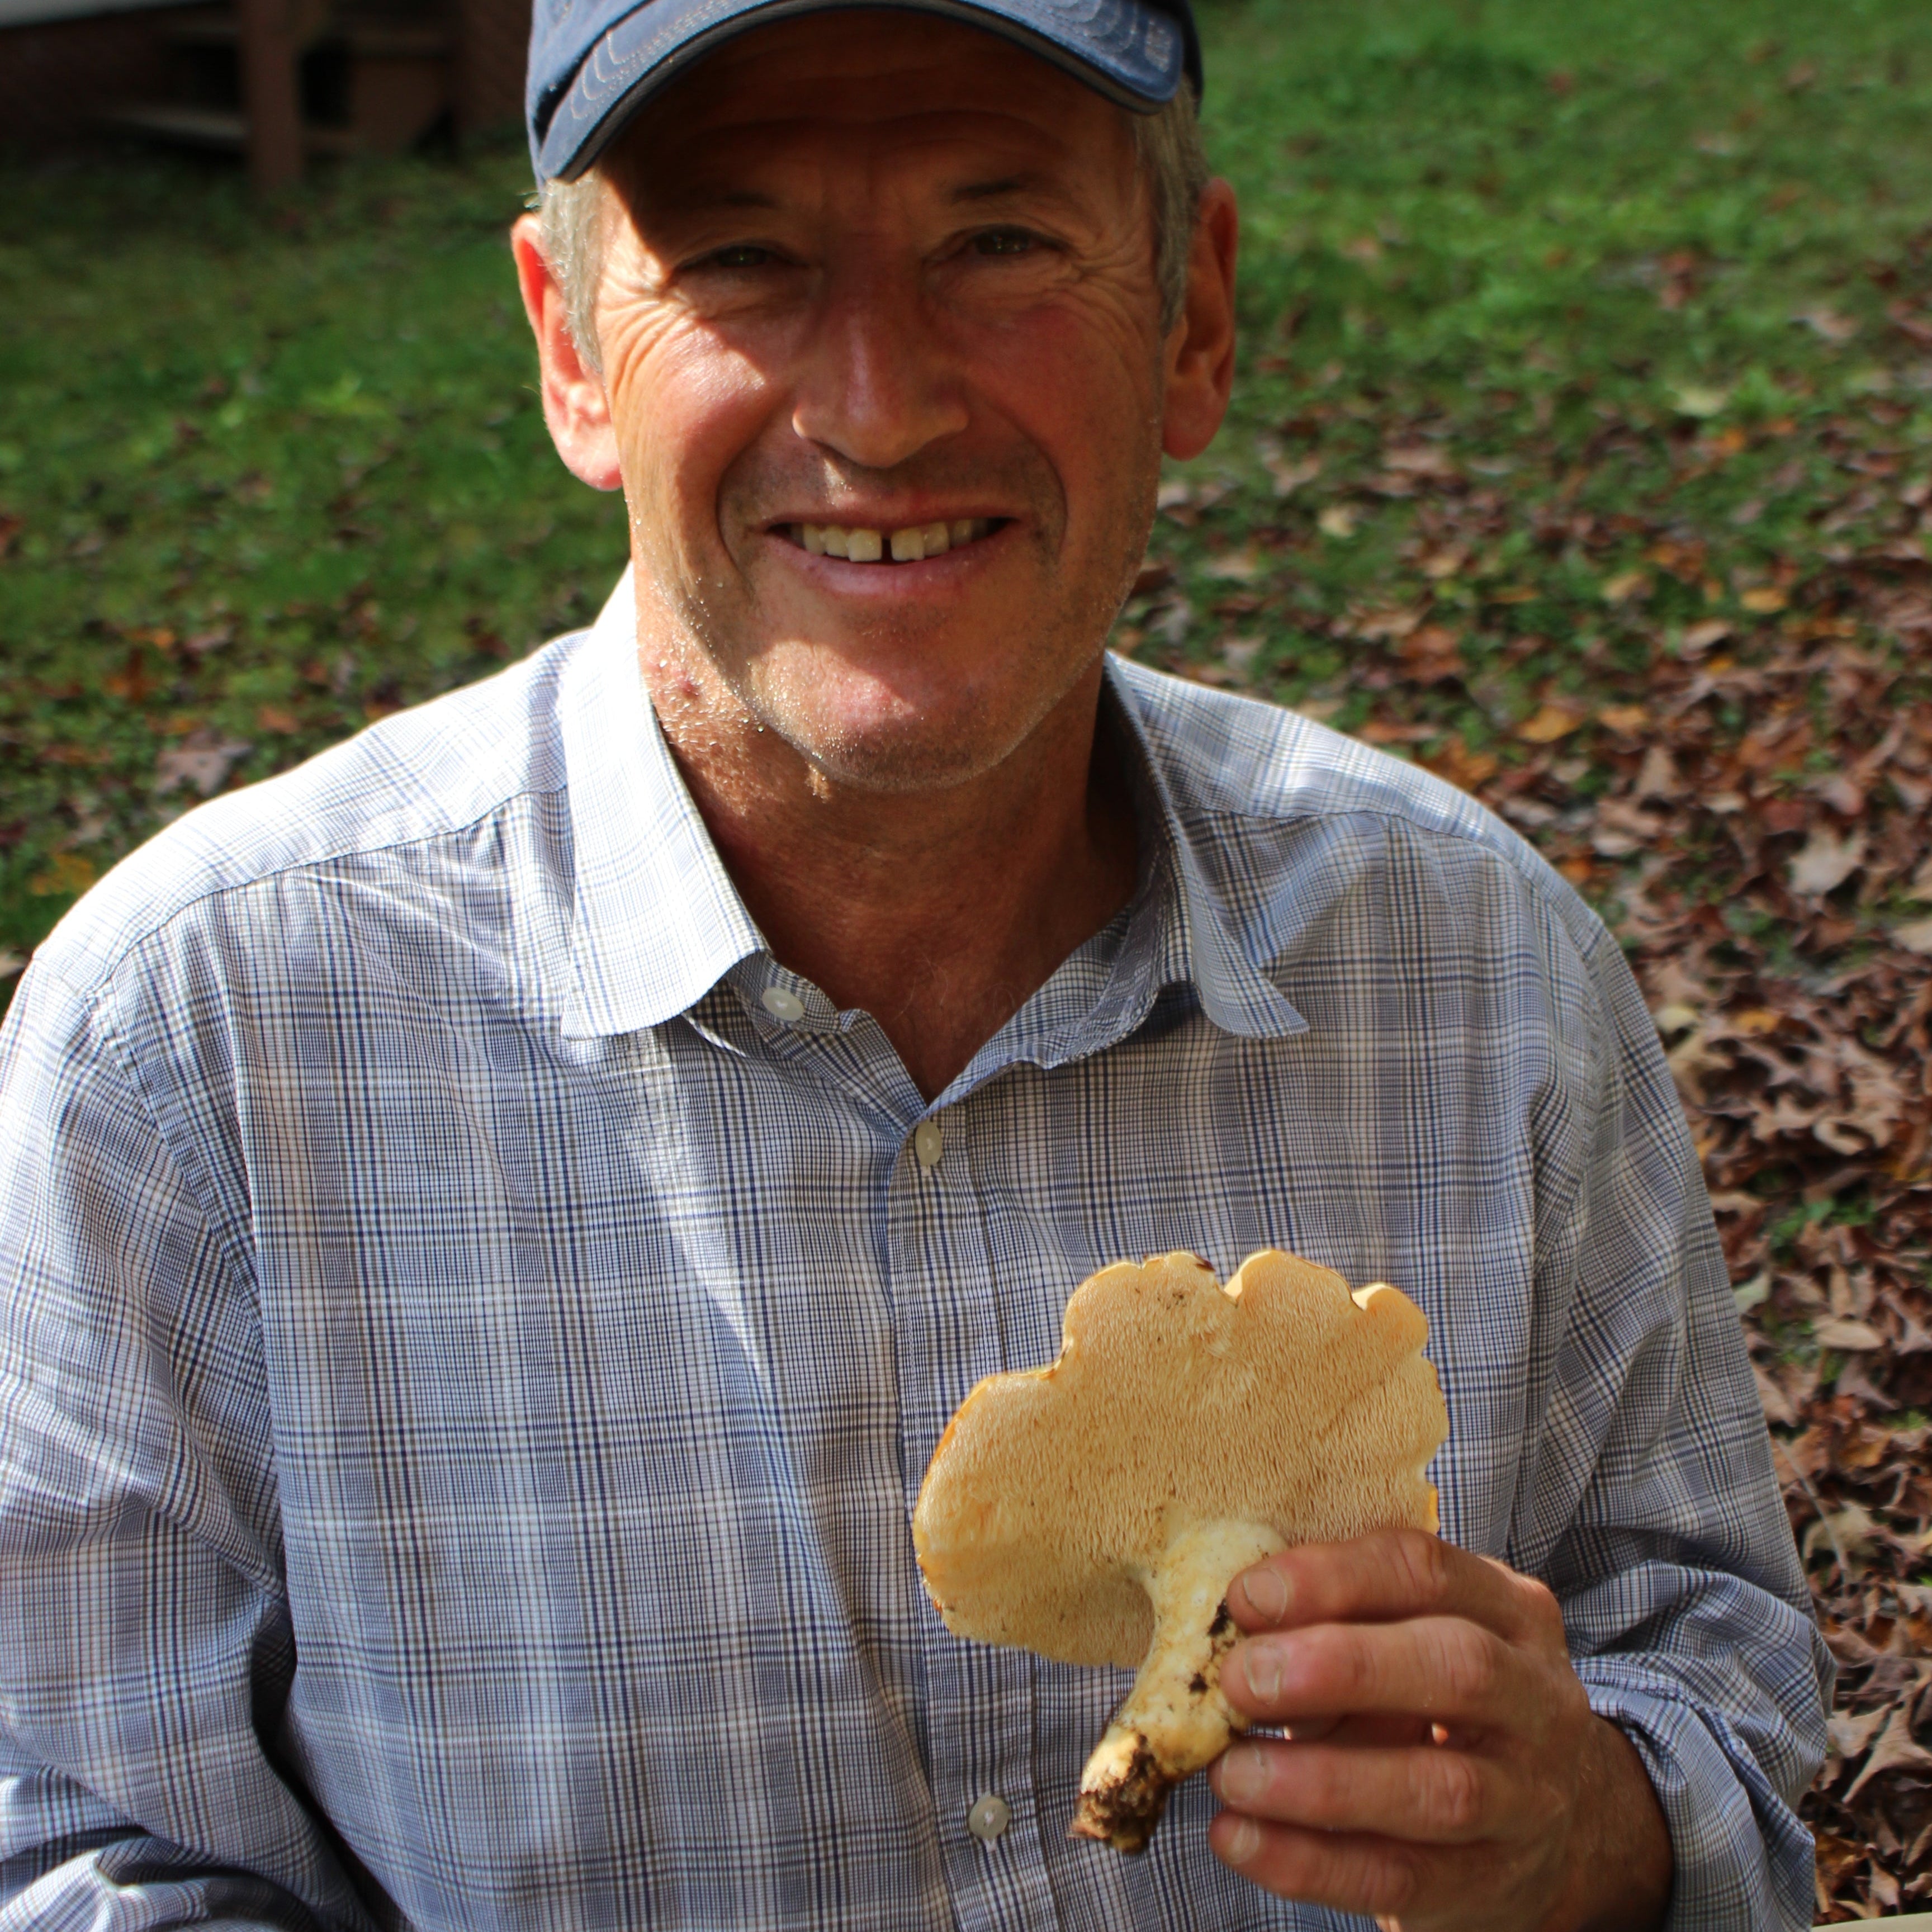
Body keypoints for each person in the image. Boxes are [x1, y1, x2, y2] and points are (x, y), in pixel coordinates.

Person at [0, 0, 1830, 1925]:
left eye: (1001, 240)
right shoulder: (198, 1056)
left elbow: (1713, 1681)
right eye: (743, 260)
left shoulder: (1478, 976)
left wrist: (1593, 1834)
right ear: (571, 349)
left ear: (1194, 320)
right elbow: (72, 1853)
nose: (877, 411)